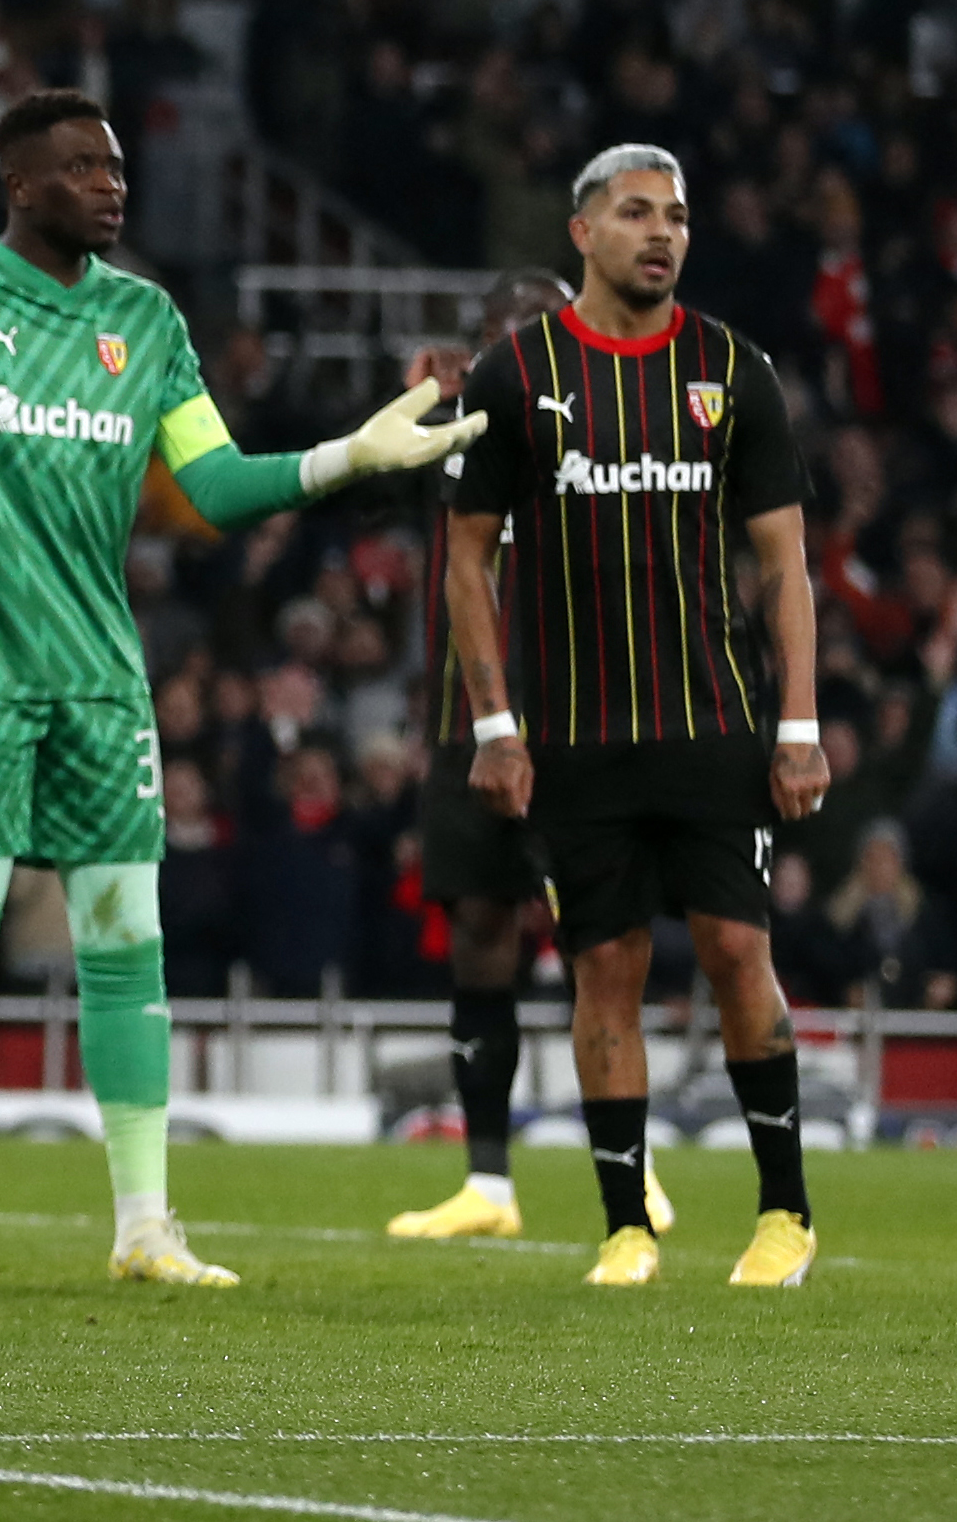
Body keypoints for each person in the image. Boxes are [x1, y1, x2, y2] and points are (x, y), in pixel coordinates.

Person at [0, 86, 479, 1289]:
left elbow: (209, 485)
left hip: (100, 673)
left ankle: (145, 1228)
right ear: (18, 184)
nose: (112, 185)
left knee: (129, 942)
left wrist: (347, 458)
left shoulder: (146, 321)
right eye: (79, 169)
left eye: (115, 167)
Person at [447, 142, 829, 1291]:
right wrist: (492, 725)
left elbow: (785, 567)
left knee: (734, 952)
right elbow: (465, 563)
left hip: (712, 721)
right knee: (601, 971)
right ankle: (626, 1225)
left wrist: (799, 725)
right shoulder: (514, 375)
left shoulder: (729, 368)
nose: (661, 233)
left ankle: (784, 1215)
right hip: (573, 739)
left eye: (675, 216)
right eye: (634, 213)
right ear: (581, 233)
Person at [386, 265, 671, 1246]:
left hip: (573, 730)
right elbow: (364, 451)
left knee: (599, 941)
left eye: (539, 327)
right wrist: (409, 390)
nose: (525, 345)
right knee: (479, 938)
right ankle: (487, 1182)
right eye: (506, 332)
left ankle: (638, 1162)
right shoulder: (449, 435)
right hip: (463, 733)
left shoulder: (603, 432)